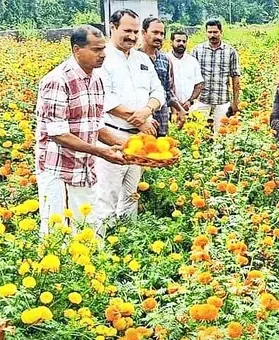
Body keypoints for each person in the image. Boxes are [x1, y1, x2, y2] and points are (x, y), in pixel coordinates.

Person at [34, 25, 127, 234]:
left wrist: (124, 145)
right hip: (58, 170)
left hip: (84, 167)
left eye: (103, 49)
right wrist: (100, 151)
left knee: (87, 227)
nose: (103, 55)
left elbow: (96, 125)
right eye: (96, 50)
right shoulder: (56, 81)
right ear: (77, 49)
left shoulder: (97, 79)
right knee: (56, 232)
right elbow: (58, 134)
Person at [95, 9, 166, 233]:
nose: (132, 37)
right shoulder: (102, 58)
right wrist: (135, 118)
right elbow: (104, 97)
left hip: (140, 137)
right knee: (107, 195)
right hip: (112, 136)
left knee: (131, 193)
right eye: (127, 31)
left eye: (136, 32)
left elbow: (158, 92)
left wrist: (146, 110)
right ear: (112, 28)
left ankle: (126, 240)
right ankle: (100, 245)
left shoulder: (142, 58)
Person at [191, 19, 241, 131]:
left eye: (215, 32)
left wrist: (235, 103)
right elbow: (190, 76)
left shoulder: (230, 51)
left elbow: (235, 78)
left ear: (221, 32)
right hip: (202, 99)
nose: (212, 35)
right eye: (209, 32)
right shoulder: (197, 50)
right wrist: (190, 99)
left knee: (221, 134)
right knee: (197, 132)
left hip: (222, 100)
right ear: (206, 32)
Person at [140, 17, 186, 134]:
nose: (159, 37)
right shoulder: (134, 58)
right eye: (155, 32)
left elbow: (168, 91)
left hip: (161, 121)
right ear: (144, 33)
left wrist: (180, 109)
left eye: (162, 33)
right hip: (139, 122)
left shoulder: (165, 60)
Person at [168, 30, 204, 127]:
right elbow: (163, 86)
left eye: (184, 41)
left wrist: (190, 101)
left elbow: (199, 85)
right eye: (178, 41)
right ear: (171, 42)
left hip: (191, 109)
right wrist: (175, 104)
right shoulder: (165, 59)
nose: (181, 44)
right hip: (171, 110)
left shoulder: (192, 61)